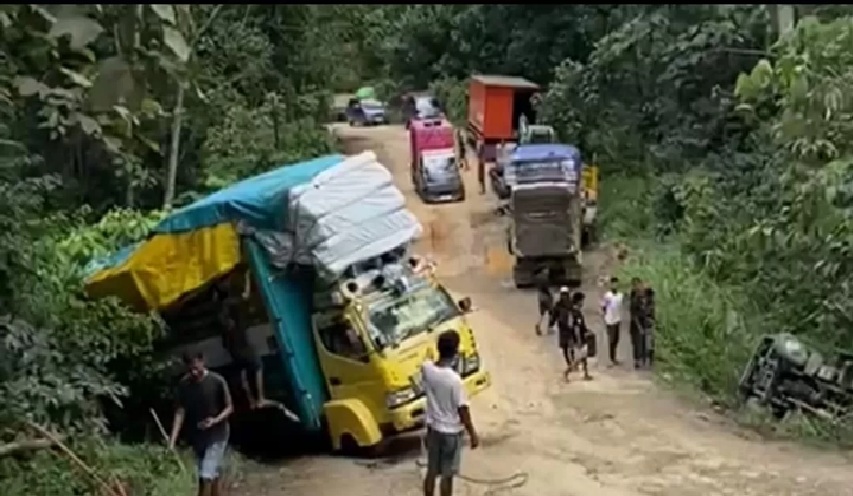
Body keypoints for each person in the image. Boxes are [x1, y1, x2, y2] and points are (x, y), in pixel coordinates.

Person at [422, 330, 479, 496]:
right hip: (451, 433)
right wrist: (473, 434)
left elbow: (428, 359)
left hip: (433, 430)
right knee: (447, 476)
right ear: (455, 351)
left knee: (431, 471)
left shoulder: (427, 370)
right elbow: (463, 410)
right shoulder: (455, 381)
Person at [169, 351, 233, 496]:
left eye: (196, 368)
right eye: (190, 369)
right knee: (212, 472)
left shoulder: (217, 381)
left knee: (205, 475)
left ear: (202, 362)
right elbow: (180, 412)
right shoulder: (184, 385)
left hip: (218, 433)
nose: (193, 372)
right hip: (198, 435)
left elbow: (229, 407)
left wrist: (215, 420)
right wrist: (172, 440)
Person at [215, 280, 265, 409]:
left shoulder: (220, 309)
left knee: (242, 373)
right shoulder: (229, 303)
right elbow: (245, 296)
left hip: (233, 347)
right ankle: (259, 398)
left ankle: (251, 401)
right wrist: (247, 277)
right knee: (256, 365)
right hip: (240, 343)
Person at [549, 287, 575, 380]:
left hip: (567, 329)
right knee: (566, 347)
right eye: (563, 294)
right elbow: (554, 316)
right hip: (564, 329)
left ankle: (571, 362)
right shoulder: (560, 305)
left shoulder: (567, 304)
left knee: (569, 346)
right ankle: (570, 363)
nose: (564, 296)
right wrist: (551, 324)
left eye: (565, 294)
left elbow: (554, 316)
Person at [570, 291, 593, 381]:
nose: (583, 303)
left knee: (583, 358)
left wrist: (587, 330)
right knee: (579, 359)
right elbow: (576, 328)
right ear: (578, 301)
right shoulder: (576, 313)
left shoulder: (575, 312)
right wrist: (579, 340)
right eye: (582, 300)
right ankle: (567, 372)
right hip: (579, 339)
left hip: (579, 338)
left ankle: (586, 374)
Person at [601, 276, 624, 366]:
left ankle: (613, 356)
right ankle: (612, 357)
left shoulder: (620, 295)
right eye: (613, 284)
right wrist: (606, 314)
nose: (614, 285)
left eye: (616, 284)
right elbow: (604, 306)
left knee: (616, 339)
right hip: (609, 320)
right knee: (612, 339)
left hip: (617, 319)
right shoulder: (608, 296)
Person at [534, 268, 553, 335]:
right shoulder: (544, 278)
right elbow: (545, 288)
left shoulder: (537, 277)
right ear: (543, 270)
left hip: (540, 296)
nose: (548, 272)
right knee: (551, 312)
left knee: (542, 313)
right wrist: (550, 295)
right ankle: (550, 329)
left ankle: (538, 324)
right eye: (547, 270)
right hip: (546, 297)